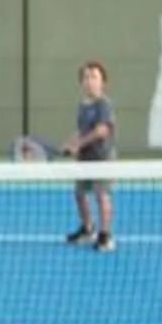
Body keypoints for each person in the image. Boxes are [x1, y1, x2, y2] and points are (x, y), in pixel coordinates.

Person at [55, 59, 115, 250]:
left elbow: (101, 131)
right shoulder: (82, 106)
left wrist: (78, 144)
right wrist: (70, 143)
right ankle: (88, 229)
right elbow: (82, 130)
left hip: (102, 159)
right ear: (82, 82)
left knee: (101, 196)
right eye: (86, 77)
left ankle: (105, 236)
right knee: (79, 194)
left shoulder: (104, 104)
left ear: (102, 81)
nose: (90, 80)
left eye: (94, 77)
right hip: (85, 160)